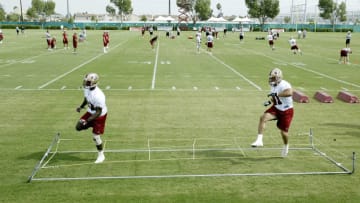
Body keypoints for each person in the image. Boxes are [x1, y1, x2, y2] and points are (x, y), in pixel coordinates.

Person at [251, 68, 294, 157]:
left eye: (273, 78)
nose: (271, 79)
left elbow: (289, 93)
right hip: (276, 108)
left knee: (283, 133)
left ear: (278, 78)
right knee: (263, 117)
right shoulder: (273, 85)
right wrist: (270, 102)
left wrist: (277, 95)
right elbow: (274, 96)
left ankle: (286, 146)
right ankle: (259, 140)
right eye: (271, 77)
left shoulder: (284, 84)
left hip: (286, 111)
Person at [76, 73, 108, 164]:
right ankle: (90, 126)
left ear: (94, 83)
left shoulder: (99, 96)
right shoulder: (87, 89)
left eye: (88, 82)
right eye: (85, 81)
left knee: (96, 136)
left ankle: (101, 155)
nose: (86, 83)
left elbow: (98, 112)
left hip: (100, 116)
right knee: (78, 127)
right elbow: (86, 99)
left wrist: (87, 120)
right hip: (90, 112)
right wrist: (81, 107)